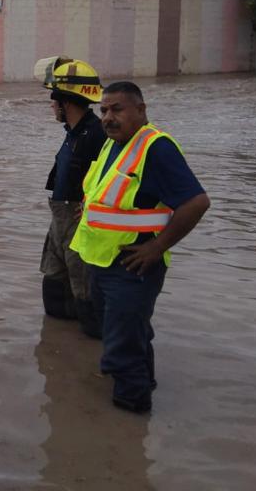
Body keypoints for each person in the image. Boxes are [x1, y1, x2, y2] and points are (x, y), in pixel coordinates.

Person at [71, 81, 210, 413]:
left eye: (117, 109)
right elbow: (115, 194)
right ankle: (143, 382)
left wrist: (156, 247)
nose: (107, 117)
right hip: (102, 259)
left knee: (121, 347)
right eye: (103, 110)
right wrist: (88, 206)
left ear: (141, 110)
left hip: (133, 266)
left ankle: (130, 417)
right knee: (127, 332)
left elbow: (196, 202)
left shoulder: (156, 148)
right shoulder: (113, 144)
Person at [38, 57, 106, 337]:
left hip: (78, 222)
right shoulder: (74, 132)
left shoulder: (97, 134)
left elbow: (112, 176)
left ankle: (93, 345)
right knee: (53, 287)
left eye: (55, 100)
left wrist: (92, 207)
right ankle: (63, 344)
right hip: (59, 218)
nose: (51, 105)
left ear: (66, 102)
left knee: (84, 289)